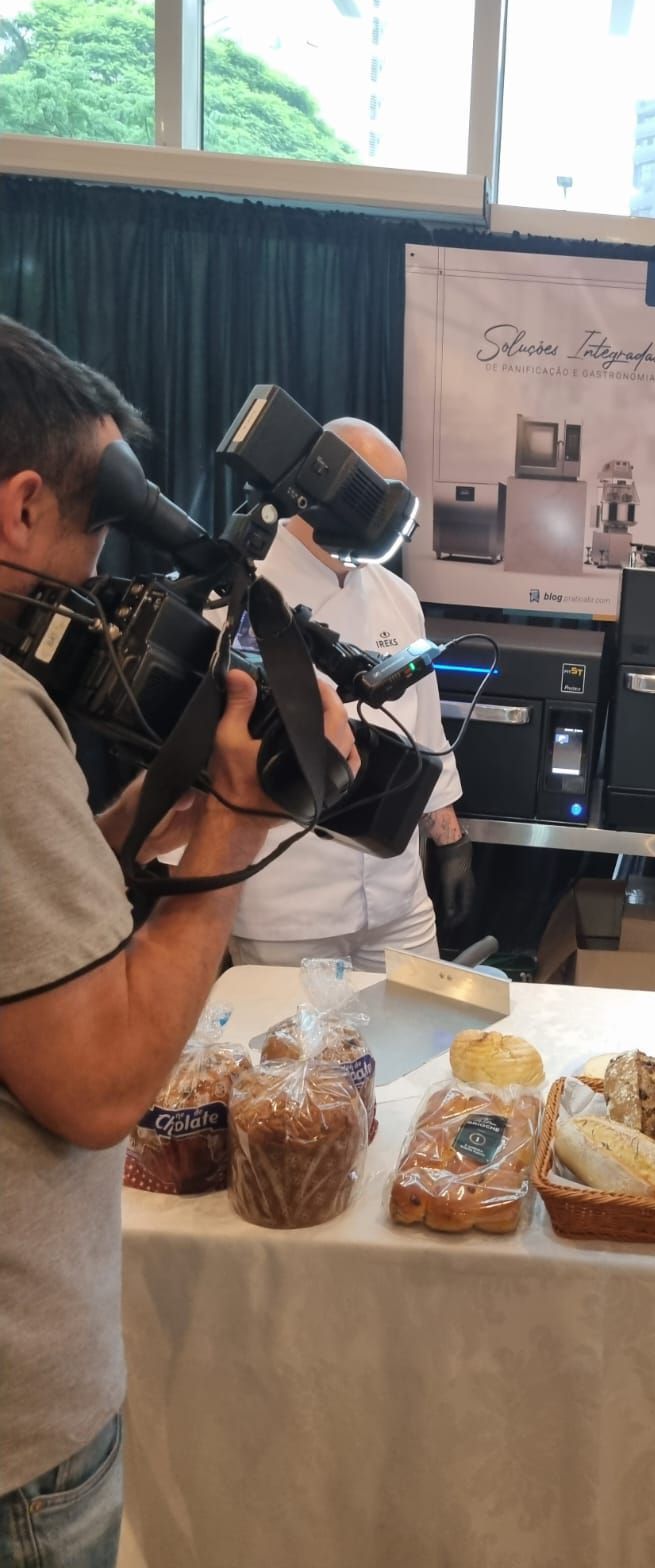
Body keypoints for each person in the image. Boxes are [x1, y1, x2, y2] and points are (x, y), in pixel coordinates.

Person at [0, 318, 357, 1566]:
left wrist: (180, 809)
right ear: (22, 507)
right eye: (96, 532)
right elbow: (98, 1083)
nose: (97, 577)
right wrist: (239, 834)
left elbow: (30, 922)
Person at [224, 418, 474, 971]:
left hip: (398, 899)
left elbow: (426, 736)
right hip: (286, 909)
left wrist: (452, 842)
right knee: (293, 1057)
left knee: (417, 1045)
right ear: (323, 491)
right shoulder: (238, 590)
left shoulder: (399, 597)